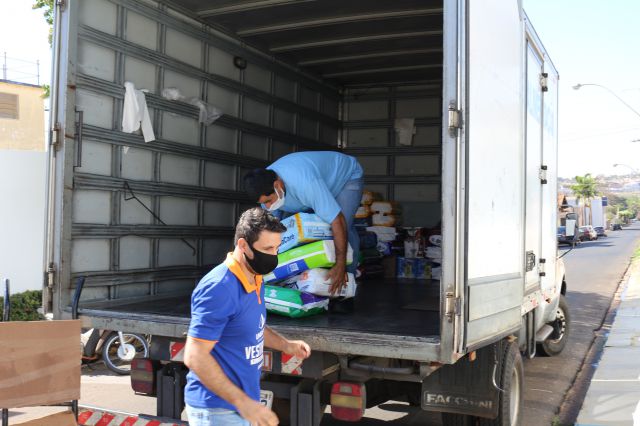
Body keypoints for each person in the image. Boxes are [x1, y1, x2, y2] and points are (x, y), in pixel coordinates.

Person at [184, 207, 311, 426]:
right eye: (267, 248)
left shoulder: (255, 277)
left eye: (277, 248)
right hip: (218, 410)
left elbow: (252, 326)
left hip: (241, 408)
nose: (274, 256)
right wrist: (243, 403)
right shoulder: (219, 287)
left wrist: (286, 345)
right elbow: (195, 356)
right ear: (243, 245)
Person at [243, 151, 364, 294]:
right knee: (289, 233)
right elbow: (268, 232)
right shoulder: (264, 187)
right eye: (264, 203)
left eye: (269, 201)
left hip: (345, 178)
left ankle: (347, 282)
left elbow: (337, 220)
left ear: (278, 185)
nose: (268, 207)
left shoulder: (305, 184)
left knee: (344, 227)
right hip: (311, 188)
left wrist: (340, 264)